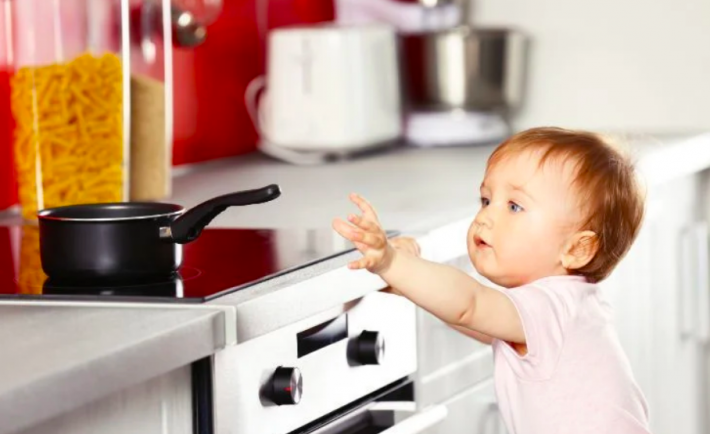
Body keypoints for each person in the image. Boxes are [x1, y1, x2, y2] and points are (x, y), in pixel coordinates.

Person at [332, 127, 651, 434]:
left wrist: (393, 262)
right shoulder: (569, 304)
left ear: (576, 250)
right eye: (486, 200)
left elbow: (469, 305)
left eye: (514, 206)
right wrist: (406, 279)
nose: (485, 216)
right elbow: (479, 319)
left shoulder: (550, 306)